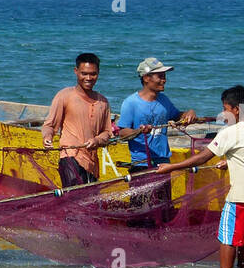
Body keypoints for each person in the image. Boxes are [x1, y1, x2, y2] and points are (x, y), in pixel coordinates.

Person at [154, 85, 244, 268]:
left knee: (228, 238)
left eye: (225, 109)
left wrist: (172, 167)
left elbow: (203, 157)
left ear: (236, 110)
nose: (223, 114)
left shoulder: (229, 133)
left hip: (241, 198)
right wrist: (230, 162)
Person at [41, 52, 113, 187]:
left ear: (98, 73)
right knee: (74, 197)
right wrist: (47, 137)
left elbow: (107, 133)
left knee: (88, 201)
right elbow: (49, 125)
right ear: (76, 72)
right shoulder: (65, 96)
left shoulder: (103, 102)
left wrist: (97, 140)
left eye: (93, 74)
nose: (88, 78)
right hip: (70, 157)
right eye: (84, 73)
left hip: (92, 164)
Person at [116, 57, 198, 172]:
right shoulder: (131, 103)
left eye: (164, 76)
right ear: (146, 78)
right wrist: (139, 131)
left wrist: (189, 113)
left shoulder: (164, 100)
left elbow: (177, 116)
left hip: (164, 164)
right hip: (142, 164)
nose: (164, 80)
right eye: (160, 76)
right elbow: (123, 133)